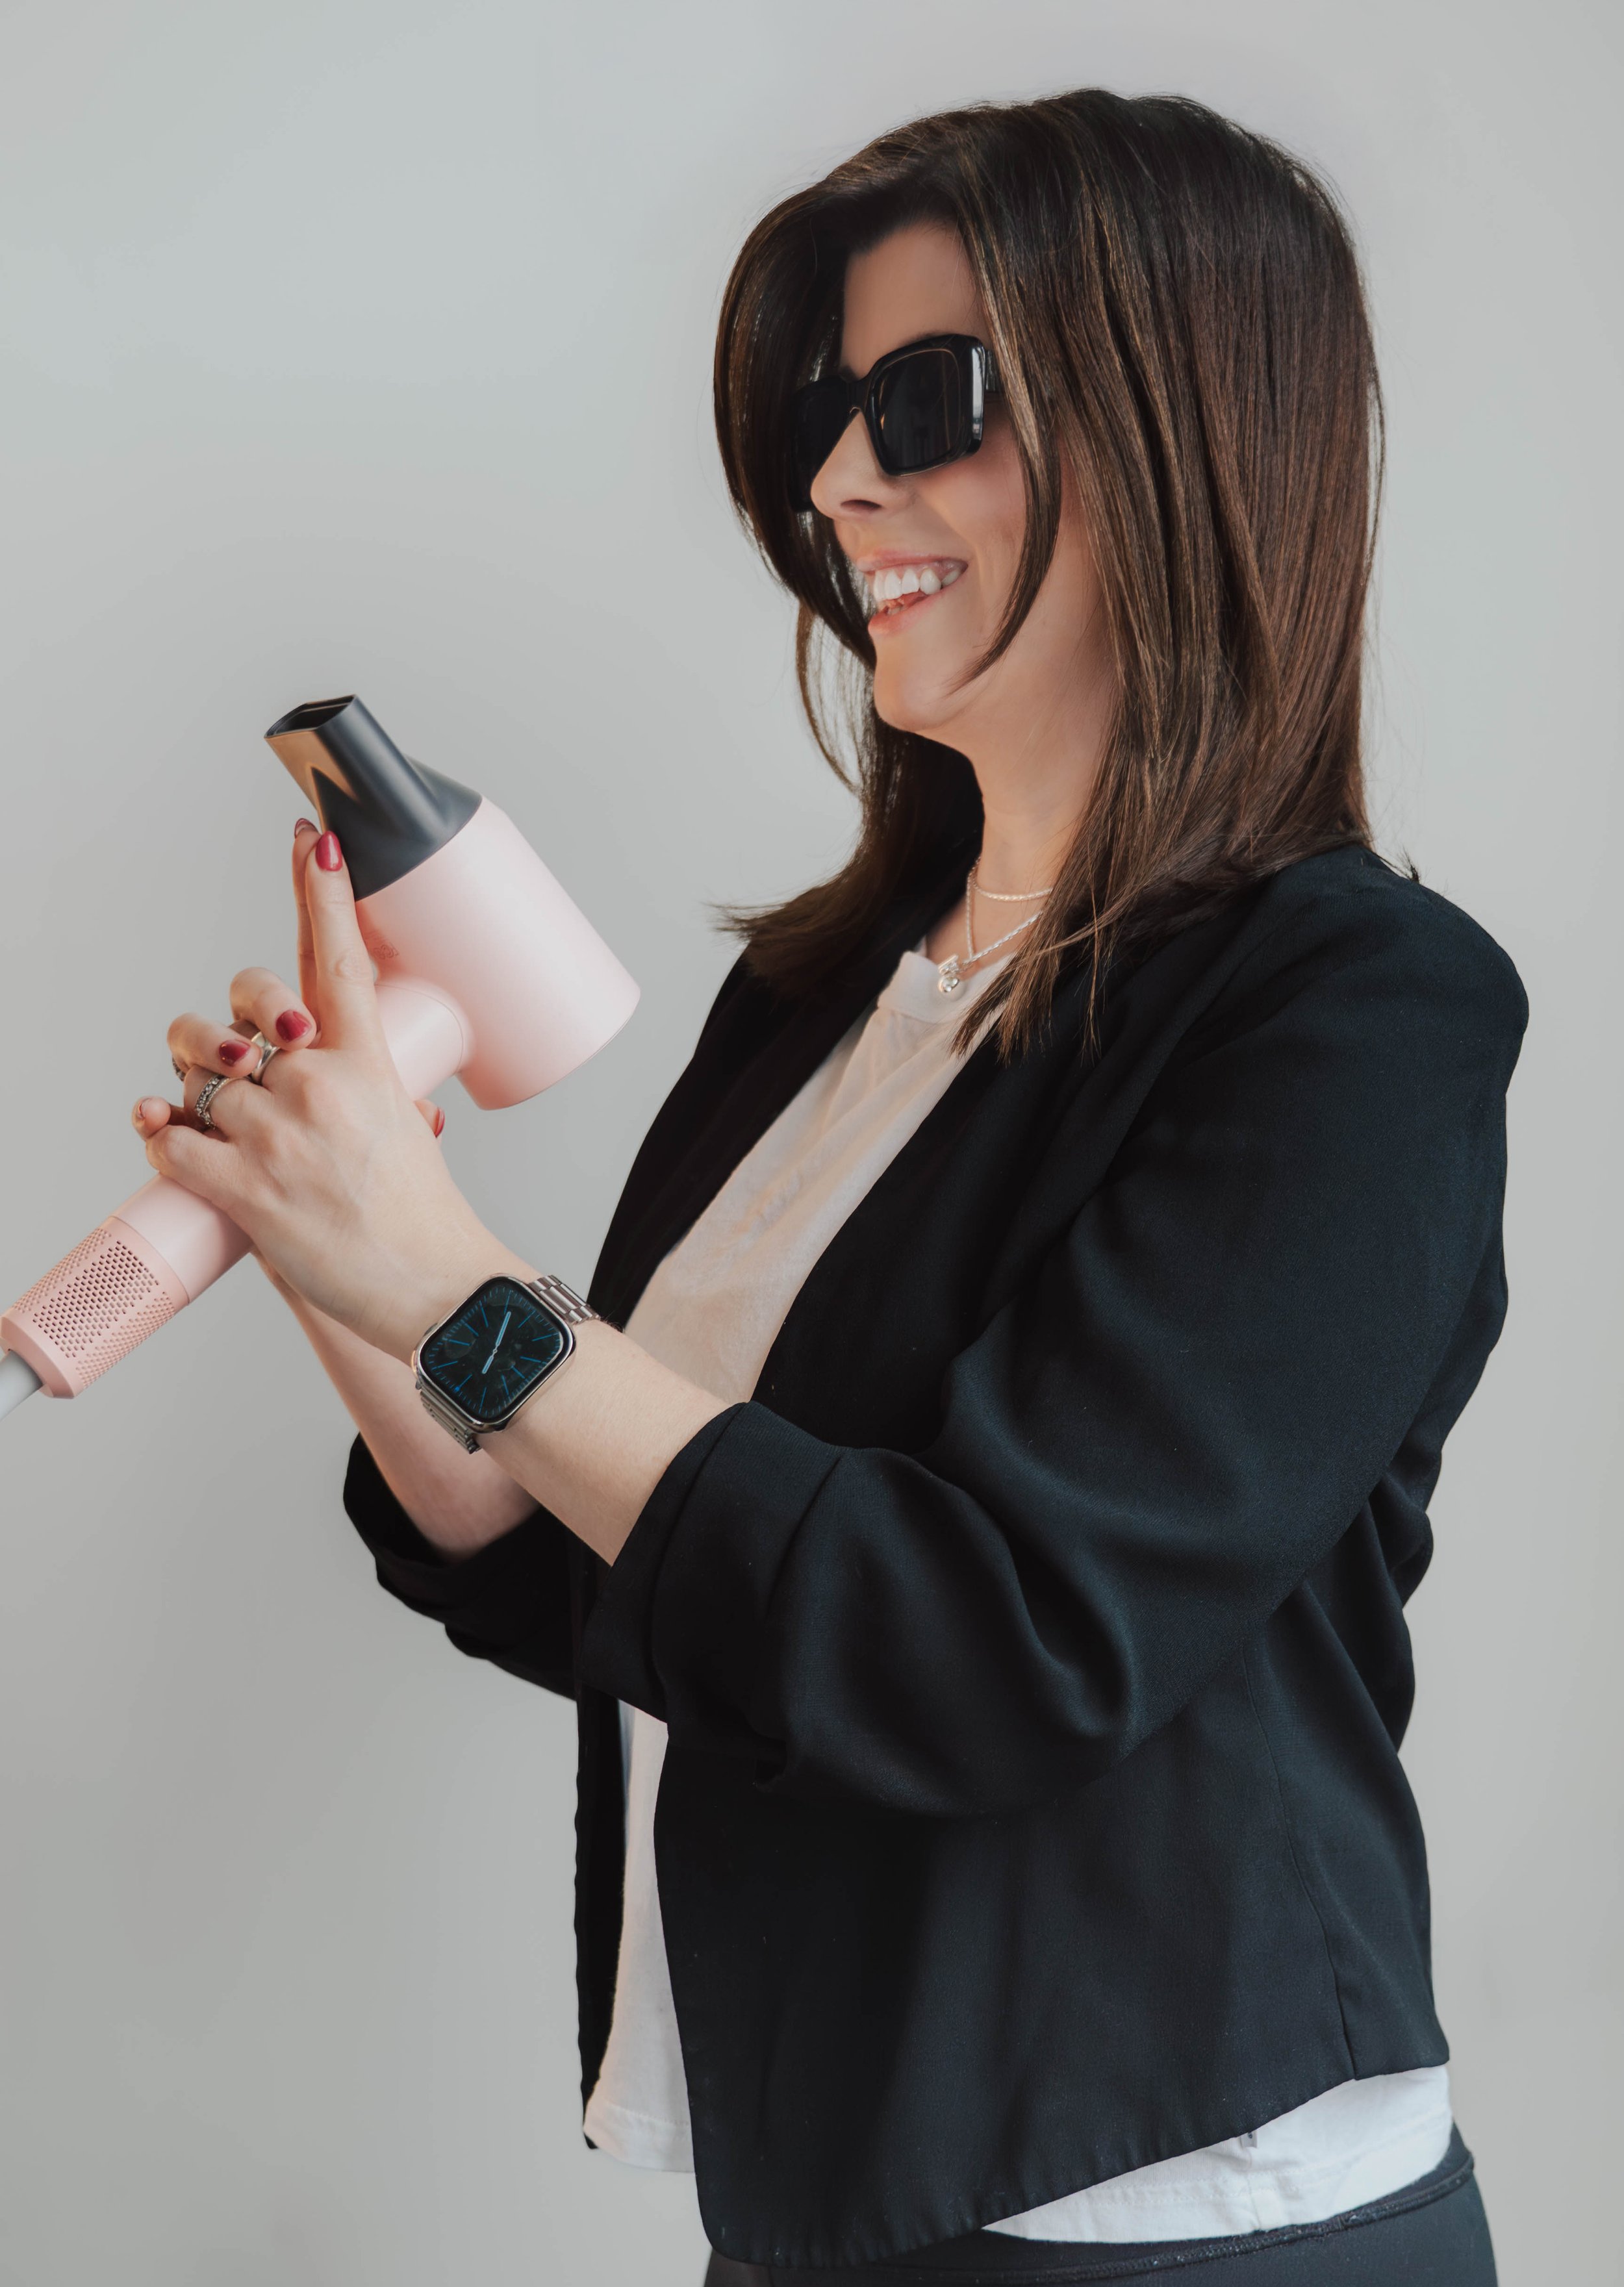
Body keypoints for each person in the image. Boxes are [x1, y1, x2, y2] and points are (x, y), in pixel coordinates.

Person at [133, 88, 1520, 2287]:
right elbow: (600, 1541)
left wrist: (458, 1277)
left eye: (929, 400)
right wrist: (350, 1240)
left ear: (1182, 426)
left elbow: (990, 1638)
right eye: (827, 413)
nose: (838, 478)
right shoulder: (821, 996)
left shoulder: (1359, 1014)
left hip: (1176, 2221)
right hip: (835, 2194)